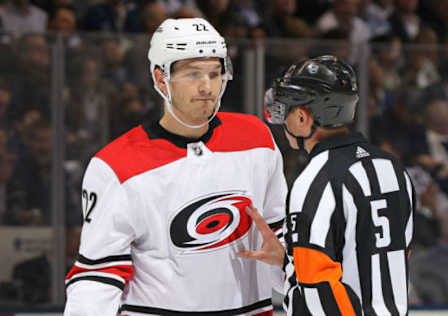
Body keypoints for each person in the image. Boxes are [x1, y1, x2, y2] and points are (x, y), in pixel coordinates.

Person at [64, 18, 287, 315]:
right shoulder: (115, 166)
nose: (207, 87)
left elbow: (279, 232)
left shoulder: (256, 138)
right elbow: (97, 273)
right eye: (193, 74)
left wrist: (289, 264)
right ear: (160, 79)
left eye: (215, 73)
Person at [238, 55, 415, 315]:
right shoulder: (392, 168)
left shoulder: (315, 180)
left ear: (301, 117)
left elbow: (317, 286)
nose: (282, 121)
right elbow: (391, 258)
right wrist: (288, 261)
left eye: (284, 110)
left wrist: (291, 269)